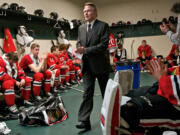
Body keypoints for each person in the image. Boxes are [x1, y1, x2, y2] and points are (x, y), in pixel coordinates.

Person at [75, 2, 110, 131]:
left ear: (95, 12)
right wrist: (78, 49)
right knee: (87, 93)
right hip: (87, 67)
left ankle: (110, 117)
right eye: (84, 11)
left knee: (106, 94)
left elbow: (103, 45)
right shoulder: (81, 28)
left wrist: (86, 50)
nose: (86, 13)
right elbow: (79, 42)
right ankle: (84, 121)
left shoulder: (103, 26)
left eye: (88, 11)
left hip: (101, 65)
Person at [120, 60, 180, 134]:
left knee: (134, 110)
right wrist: (166, 71)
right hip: (168, 88)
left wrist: (162, 77)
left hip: (175, 105)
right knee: (136, 93)